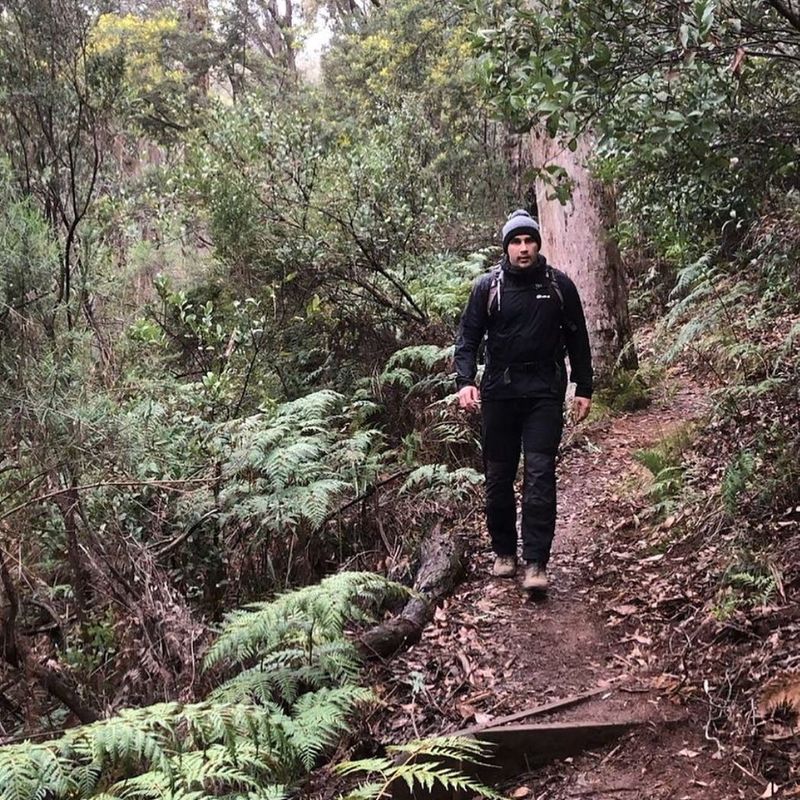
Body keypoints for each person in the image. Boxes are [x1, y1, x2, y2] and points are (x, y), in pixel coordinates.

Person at [454, 209, 593, 592]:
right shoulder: (488, 287)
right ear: (506, 247)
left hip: (544, 393)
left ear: (538, 244)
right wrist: (465, 381)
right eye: (515, 242)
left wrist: (583, 386)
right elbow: (467, 338)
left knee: (539, 475)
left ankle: (536, 563)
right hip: (499, 393)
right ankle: (504, 551)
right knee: (498, 479)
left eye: (529, 240)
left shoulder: (560, 286)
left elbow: (578, 339)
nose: (523, 248)